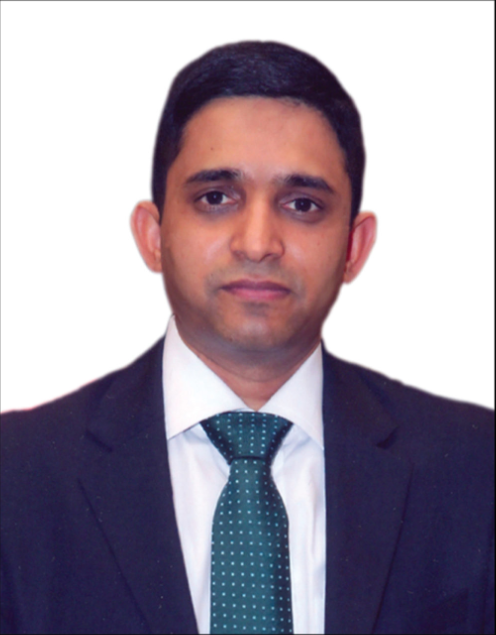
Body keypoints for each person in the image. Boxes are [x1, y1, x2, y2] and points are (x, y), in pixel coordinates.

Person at [1, 40, 493, 635]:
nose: (258, 242)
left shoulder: (476, 468)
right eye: (215, 198)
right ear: (153, 234)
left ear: (354, 247)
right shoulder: (16, 475)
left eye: (302, 204)